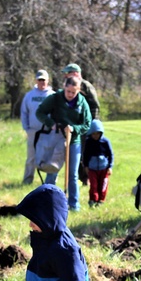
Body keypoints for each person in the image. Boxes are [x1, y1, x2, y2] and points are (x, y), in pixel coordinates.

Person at [36, 75, 91, 211]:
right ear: (64, 87)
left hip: (74, 141)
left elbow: (87, 124)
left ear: (78, 90)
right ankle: (48, 202)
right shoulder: (55, 98)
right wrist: (51, 123)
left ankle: (73, 204)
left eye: (74, 92)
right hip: (56, 141)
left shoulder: (82, 102)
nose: (71, 95)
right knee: (53, 171)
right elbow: (40, 112)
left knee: (73, 175)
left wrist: (75, 129)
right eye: (68, 91)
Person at [20, 69, 54, 184]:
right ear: (36, 80)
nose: (42, 82)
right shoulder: (29, 96)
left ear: (48, 81)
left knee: (50, 157)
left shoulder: (52, 95)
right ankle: (27, 180)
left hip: (49, 132)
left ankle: (49, 182)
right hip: (33, 131)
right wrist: (27, 128)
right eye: (40, 80)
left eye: (44, 80)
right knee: (31, 158)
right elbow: (24, 112)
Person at [82, 119, 114, 206]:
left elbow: (111, 155)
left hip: (104, 168)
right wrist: (86, 166)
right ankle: (93, 199)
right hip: (92, 168)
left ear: (101, 132)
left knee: (103, 185)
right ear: (90, 133)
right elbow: (86, 155)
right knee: (94, 185)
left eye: (97, 133)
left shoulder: (105, 142)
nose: (95, 136)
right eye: (93, 133)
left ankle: (101, 200)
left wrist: (110, 167)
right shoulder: (89, 142)